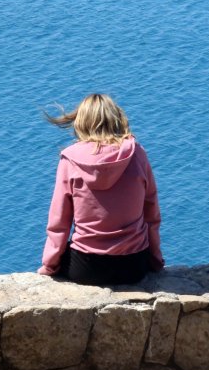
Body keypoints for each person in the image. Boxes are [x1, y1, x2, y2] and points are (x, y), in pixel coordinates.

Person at [37, 93, 164, 286]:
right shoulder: (137, 154)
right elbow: (151, 214)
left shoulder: (70, 160)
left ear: (82, 122)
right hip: (134, 266)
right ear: (116, 119)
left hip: (86, 268)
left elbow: (59, 222)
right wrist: (155, 260)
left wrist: (49, 266)